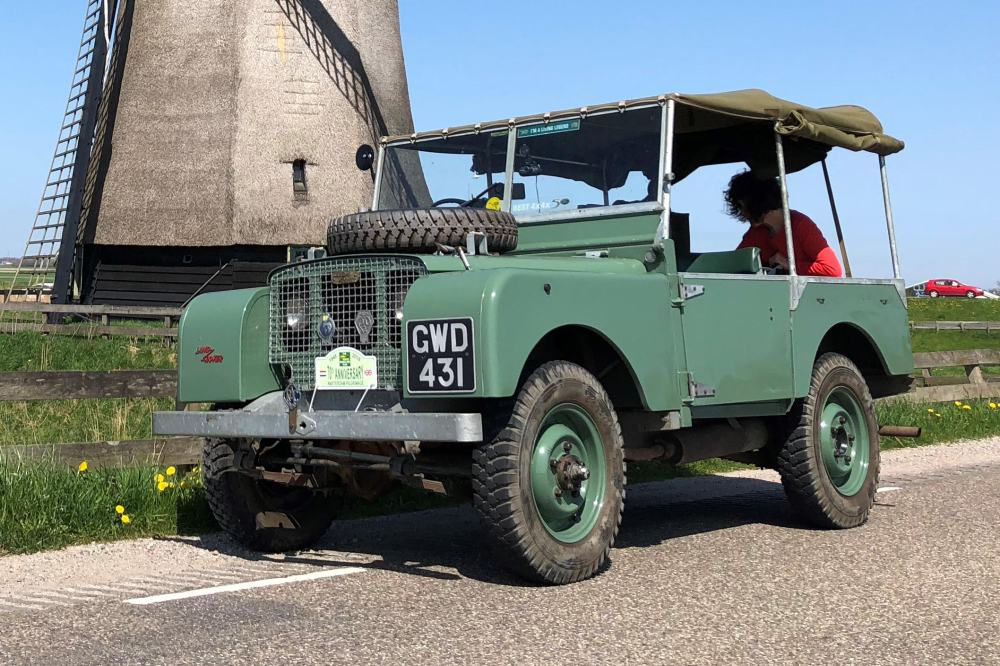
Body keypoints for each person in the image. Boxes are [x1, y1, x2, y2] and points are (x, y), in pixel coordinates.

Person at [724, 170, 843, 277]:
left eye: (741, 206)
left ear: (755, 202)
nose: (742, 213)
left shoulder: (800, 225)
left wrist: (788, 264)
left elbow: (831, 269)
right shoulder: (757, 232)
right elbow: (733, 265)